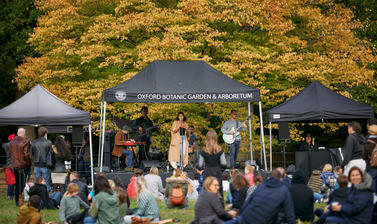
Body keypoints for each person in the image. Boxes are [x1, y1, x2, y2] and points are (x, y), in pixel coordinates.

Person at [224, 169, 296, 224]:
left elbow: (248, 202)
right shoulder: (284, 190)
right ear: (281, 179)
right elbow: (290, 214)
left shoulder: (261, 186)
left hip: (247, 216)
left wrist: (242, 214)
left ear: (268, 178)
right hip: (262, 220)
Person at [198, 130, 227, 202]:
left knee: (207, 190)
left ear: (206, 138)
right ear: (216, 138)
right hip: (217, 172)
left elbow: (200, 165)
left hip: (207, 172)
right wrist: (221, 168)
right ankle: (220, 208)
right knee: (218, 191)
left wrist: (199, 167)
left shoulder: (203, 151)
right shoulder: (220, 150)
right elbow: (224, 164)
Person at [9, 128, 30, 206]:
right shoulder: (25, 141)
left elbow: (10, 154)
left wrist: (13, 162)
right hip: (22, 165)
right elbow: (26, 154)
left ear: (18, 133)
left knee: (17, 183)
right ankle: (20, 200)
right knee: (22, 184)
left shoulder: (12, 142)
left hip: (15, 165)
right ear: (23, 134)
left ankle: (17, 200)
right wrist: (28, 163)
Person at [31, 127, 52, 192]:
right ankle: (46, 198)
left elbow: (31, 154)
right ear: (45, 133)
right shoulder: (48, 142)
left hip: (37, 165)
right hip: (45, 165)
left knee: (37, 184)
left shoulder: (34, 142)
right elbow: (51, 154)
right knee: (47, 184)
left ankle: (37, 199)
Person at [2, 133, 15, 200]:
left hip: (9, 165)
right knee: (17, 182)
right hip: (16, 165)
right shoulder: (17, 145)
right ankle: (14, 195)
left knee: (10, 182)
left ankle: (9, 195)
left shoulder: (6, 145)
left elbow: (3, 144)